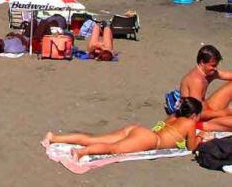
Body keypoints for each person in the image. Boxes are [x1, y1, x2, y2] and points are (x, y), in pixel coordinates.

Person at [44, 97, 204, 160]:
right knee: (113, 149)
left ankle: (54, 138)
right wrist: (201, 136)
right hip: (150, 139)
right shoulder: (189, 123)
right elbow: (191, 147)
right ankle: (81, 152)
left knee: (95, 139)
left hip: (139, 131)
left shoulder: (174, 116)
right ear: (193, 115)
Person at [178, 45, 232, 120]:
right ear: (202, 62)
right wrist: (224, 113)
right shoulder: (196, 81)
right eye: (213, 65)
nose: (215, 68)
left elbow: (227, 75)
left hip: (206, 108)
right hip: (198, 118)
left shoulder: (208, 72)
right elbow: (196, 113)